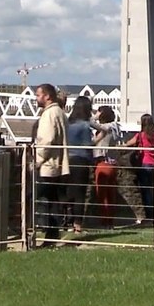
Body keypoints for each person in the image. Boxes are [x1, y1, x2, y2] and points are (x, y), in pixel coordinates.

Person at [32, 83, 69, 243]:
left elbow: (46, 141)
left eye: (38, 95)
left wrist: (37, 160)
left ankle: (42, 234)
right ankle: (52, 236)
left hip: (48, 165)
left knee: (36, 198)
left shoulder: (48, 114)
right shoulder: (60, 112)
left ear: (47, 96)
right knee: (53, 200)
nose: (36, 98)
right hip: (58, 164)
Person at [64, 96, 95, 234]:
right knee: (80, 194)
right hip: (80, 160)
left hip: (66, 160)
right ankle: (78, 224)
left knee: (68, 192)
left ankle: (68, 222)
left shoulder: (68, 123)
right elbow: (88, 145)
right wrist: (98, 138)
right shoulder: (84, 125)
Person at [124, 113, 154, 225]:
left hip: (145, 164)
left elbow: (128, 144)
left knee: (145, 192)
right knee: (152, 191)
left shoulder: (141, 135)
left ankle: (149, 217)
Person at [92, 106, 122, 229]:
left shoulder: (106, 128)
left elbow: (90, 122)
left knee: (102, 194)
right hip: (113, 163)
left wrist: (95, 116)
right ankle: (110, 221)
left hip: (102, 163)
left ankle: (105, 222)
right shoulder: (116, 127)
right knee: (111, 194)